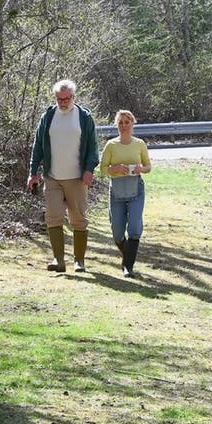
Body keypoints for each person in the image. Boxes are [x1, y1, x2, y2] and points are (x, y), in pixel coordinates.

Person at [27, 79, 99, 273]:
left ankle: (79, 261)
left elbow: (93, 147)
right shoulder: (48, 116)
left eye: (66, 99)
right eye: (59, 99)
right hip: (53, 177)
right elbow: (38, 147)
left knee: (78, 219)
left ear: (73, 97)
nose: (63, 103)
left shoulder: (84, 117)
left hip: (77, 178)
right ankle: (58, 260)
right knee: (53, 218)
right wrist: (33, 173)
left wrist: (89, 170)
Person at [100, 109, 151, 278]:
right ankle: (127, 254)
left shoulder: (140, 144)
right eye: (120, 122)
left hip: (136, 188)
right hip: (117, 190)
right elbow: (102, 169)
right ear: (117, 125)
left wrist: (140, 169)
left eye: (126, 122)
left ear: (132, 123)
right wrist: (114, 169)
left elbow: (148, 167)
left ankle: (128, 266)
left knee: (135, 227)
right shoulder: (111, 145)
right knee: (117, 232)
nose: (123, 125)